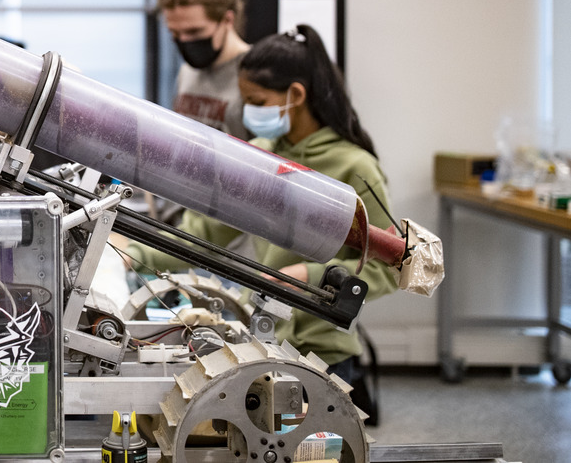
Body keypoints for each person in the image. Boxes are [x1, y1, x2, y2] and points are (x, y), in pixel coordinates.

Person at [122, 24, 397, 403]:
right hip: (265, 339)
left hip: (322, 352)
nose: (249, 112)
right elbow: (208, 231)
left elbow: (388, 266)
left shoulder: (354, 168)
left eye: (259, 101)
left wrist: (310, 277)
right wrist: (132, 253)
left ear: (295, 95)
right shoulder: (262, 155)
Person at [157, 0, 250, 139]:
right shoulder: (187, 71)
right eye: (175, 33)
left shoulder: (257, 72)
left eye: (194, 32)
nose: (184, 41)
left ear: (227, 20)